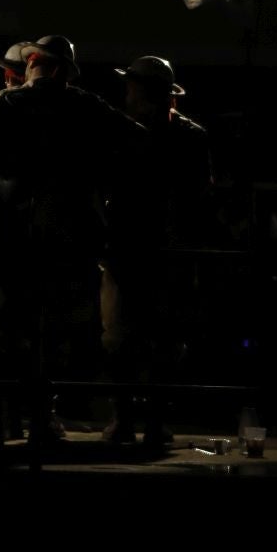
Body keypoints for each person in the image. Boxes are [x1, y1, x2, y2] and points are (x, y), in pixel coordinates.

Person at [0, 34, 148, 453]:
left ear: (34, 64)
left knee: (6, 327)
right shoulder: (86, 106)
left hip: (15, 234)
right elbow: (137, 140)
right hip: (69, 238)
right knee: (52, 333)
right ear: (65, 70)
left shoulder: (7, 105)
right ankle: (43, 419)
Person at [101, 55, 211, 447]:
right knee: (160, 340)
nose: (127, 92)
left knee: (125, 337)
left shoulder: (124, 132)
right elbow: (199, 198)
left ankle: (128, 419)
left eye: (131, 86)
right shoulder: (191, 136)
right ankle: (150, 421)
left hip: (134, 248)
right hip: (168, 251)